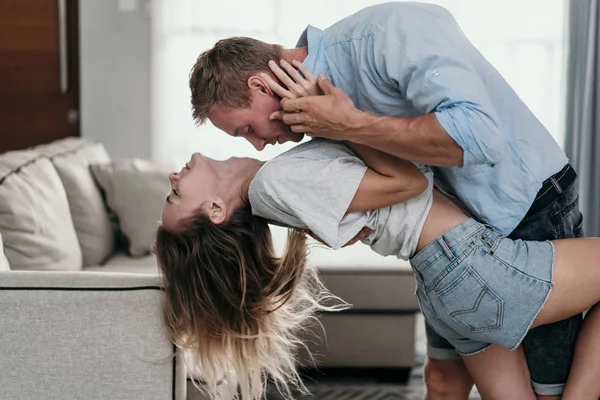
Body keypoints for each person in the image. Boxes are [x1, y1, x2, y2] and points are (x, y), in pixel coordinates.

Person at [187, 2, 586, 399]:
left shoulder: (389, 34)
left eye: (246, 129)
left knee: (548, 389)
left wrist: (349, 124)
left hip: (524, 207)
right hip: (459, 244)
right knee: (443, 380)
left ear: (259, 86)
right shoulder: (313, 124)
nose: (258, 143)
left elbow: (481, 136)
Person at [155, 137, 600, 400]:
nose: (173, 179)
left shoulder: (276, 188)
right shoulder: (274, 183)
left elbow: (352, 221)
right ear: (214, 209)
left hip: (442, 283)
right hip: (470, 266)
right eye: (176, 197)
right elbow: (408, 181)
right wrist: (337, 120)